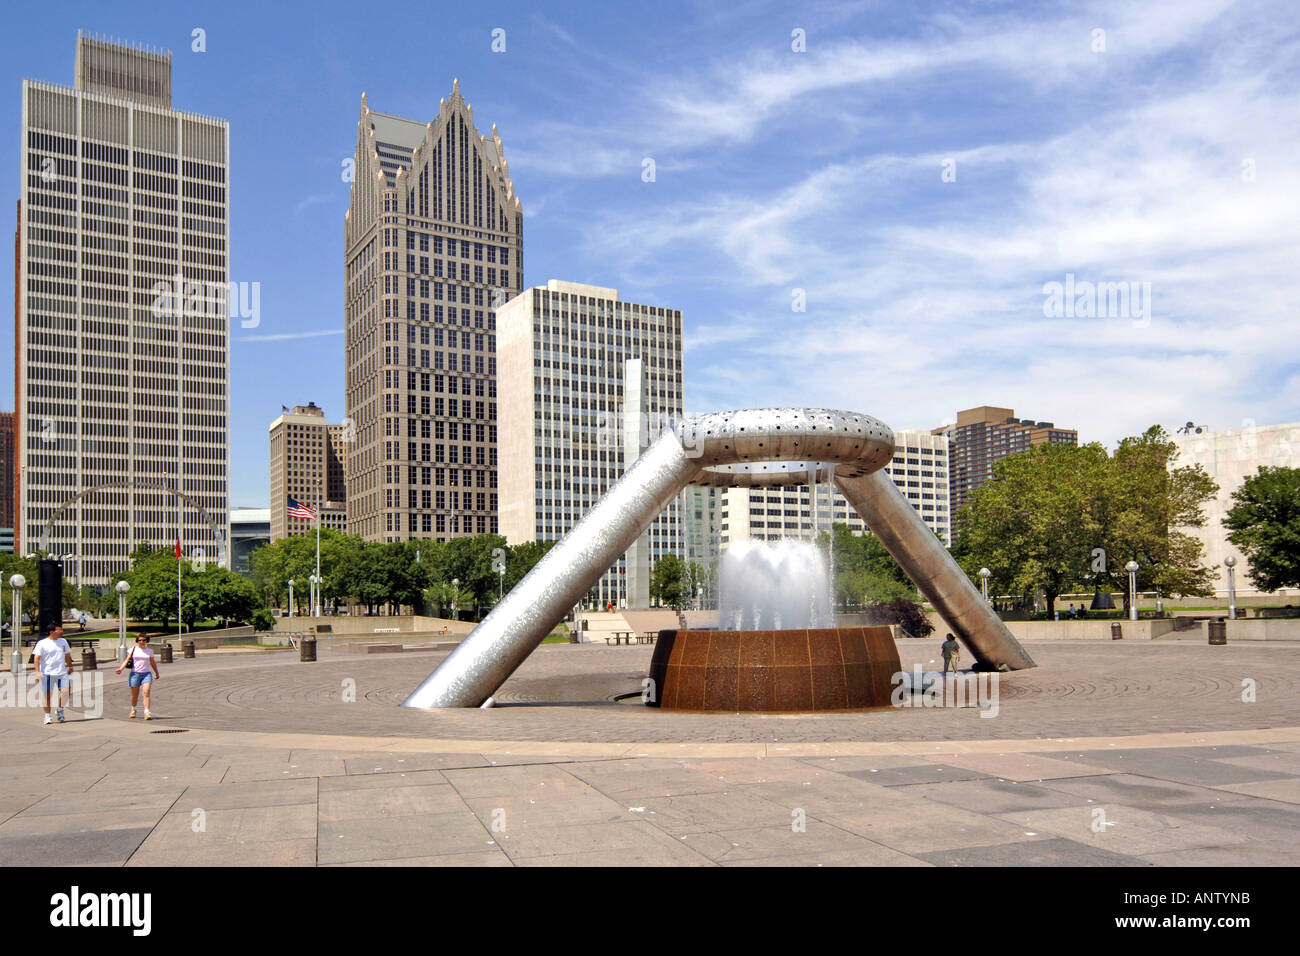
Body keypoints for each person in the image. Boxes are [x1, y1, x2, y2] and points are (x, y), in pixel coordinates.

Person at [33, 625, 73, 724]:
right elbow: (36, 658)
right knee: (47, 696)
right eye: (59, 630)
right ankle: (47, 715)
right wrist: (37, 672)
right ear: (52, 632)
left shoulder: (63, 642)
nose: (61, 631)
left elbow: (67, 655)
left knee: (65, 692)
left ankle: (60, 710)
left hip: (62, 672)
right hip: (47, 673)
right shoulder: (42, 643)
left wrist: (70, 666)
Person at [115, 635, 160, 720]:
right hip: (135, 674)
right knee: (134, 695)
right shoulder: (133, 650)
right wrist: (121, 669)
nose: (142, 642)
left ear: (146, 641)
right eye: (140, 640)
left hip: (146, 674)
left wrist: (156, 673)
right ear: (137, 641)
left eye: (144, 640)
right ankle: (133, 709)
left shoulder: (149, 651)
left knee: (146, 692)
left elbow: (153, 663)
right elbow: (127, 660)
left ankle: (147, 712)